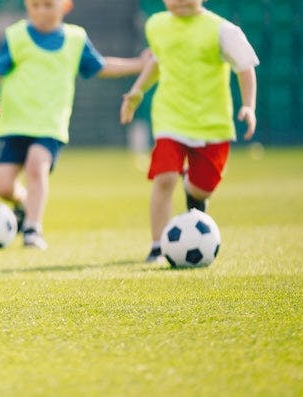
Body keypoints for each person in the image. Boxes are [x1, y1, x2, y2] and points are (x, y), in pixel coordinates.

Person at [0, 0, 148, 250]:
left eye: (48, 5)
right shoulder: (16, 36)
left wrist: (138, 64)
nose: (40, 11)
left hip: (50, 125)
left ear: (65, 6)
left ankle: (32, 228)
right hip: (15, 124)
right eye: (34, 5)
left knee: (36, 167)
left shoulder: (75, 39)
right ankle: (25, 204)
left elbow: (101, 66)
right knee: (4, 186)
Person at [120, 0, 258, 263]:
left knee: (202, 189)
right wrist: (138, 89)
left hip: (212, 124)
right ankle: (157, 246)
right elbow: (159, 60)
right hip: (170, 119)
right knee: (164, 180)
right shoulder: (157, 25)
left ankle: (193, 189)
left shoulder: (222, 30)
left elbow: (245, 67)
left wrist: (249, 106)